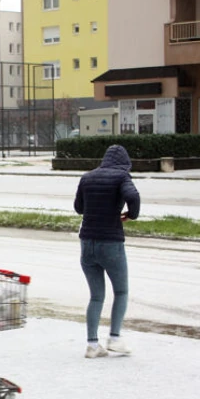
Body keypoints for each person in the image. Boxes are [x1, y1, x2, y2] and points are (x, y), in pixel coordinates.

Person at [73, 144, 141, 359]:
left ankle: (92, 345)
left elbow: (79, 208)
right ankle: (115, 338)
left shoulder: (87, 178)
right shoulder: (121, 177)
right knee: (121, 292)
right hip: (111, 243)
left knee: (96, 297)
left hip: (87, 243)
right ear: (125, 163)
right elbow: (134, 197)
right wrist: (131, 214)